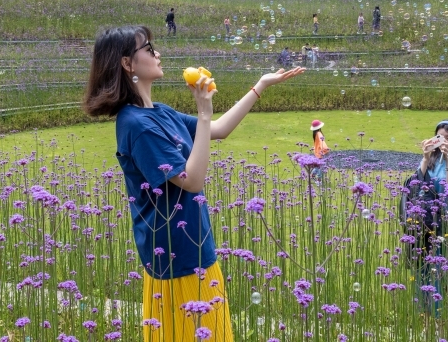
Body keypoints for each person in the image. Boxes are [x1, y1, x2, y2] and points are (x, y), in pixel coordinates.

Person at [82, 25, 305, 342]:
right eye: (148, 48)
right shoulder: (136, 125)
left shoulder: (159, 113)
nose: (157, 53)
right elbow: (192, 180)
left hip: (198, 252)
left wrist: (261, 85)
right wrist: (202, 110)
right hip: (176, 262)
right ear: (127, 64)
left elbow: (219, 129)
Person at [406, 120, 448, 318]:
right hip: (423, 221)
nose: (444, 141)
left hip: (446, 222)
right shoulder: (431, 161)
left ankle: (443, 316)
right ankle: (423, 314)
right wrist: (425, 158)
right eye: (440, 137)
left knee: (445, 269)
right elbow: (415, 186)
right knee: (422, 268)